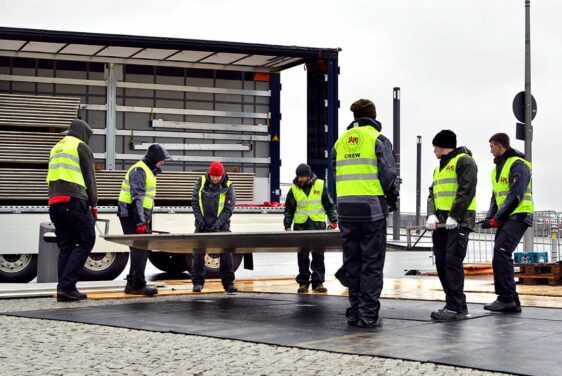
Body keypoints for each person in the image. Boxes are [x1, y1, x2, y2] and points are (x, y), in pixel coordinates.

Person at [331, 99, 399, 328]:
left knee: (352, 261)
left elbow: (335, 173)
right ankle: (368, 314)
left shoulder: (340, 142)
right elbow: (389, 175)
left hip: (346, 210)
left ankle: (353, 312)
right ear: (373, 115)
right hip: (371, 210)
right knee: (371, 263)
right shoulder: (378, 139)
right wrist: (391, 200)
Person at [426, 129, 477, 321]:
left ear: (442, 146)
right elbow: (432, 193)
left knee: (451, 262)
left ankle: (455, 306)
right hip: (441, 223)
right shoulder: (439, 167)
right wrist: (431, 214)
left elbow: (467, 189)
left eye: (435, 147)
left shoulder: (465, 161)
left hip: (459, 222)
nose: (433, 151)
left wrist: (455, 216)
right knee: (441, 262)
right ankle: (454, 304)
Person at [479, 133, 533, 313]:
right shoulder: (496, 169)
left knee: (502, 251)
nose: (490, 150)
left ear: (500, 145)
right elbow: (495, 197)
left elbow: (515, 195)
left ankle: (507, 299)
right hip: (508, 216)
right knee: (500, 252)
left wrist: (498, 218)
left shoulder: (519, 164)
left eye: (492, 146)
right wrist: (489, 218)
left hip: (519, 214)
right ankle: (510, 300)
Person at [47, 119, 98, 302]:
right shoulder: (80, 146)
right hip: (74, 200)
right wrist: (94, 204)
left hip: (54, 202)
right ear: (83, 133)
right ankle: (67, 286)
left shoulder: (56, 148)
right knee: (87, 240)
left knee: (66, 246)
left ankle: (63, 289)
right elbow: (89, 177)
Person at [118, 143, 171, 295]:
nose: (164, 162)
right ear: (155, 158)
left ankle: (131, 284)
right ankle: (137, 285)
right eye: (162, 159)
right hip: (132, 214)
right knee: (140, 250)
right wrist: (140, 221)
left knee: (139, 249)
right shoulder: (139, 170)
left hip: (135, 214)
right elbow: (137, 199)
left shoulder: (148, 170)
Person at [284, 163, 338, 294]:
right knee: (302, 256)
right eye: (299, 177)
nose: (300, 179)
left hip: (317, 225)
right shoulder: (294, 189)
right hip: (301, 226)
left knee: (318, 255)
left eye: (302, 176)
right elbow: (289, 209)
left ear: (308, 176)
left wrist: (333, 219)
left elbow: (329, 204)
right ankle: (303, 283)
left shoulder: (320, 185)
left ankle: (318, 282)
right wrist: (287, 224)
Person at [191, 161, 237, 293]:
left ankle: (228, 283)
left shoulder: (228, 186)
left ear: (222, 175)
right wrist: (200, 221)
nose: (215, 178)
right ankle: (197, 283)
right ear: (209, 174)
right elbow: (195, 202)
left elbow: (229, 209)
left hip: (221, 226)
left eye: (218, 176)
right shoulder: (200, 182)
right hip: (202, 224)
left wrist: (217, 225)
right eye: (213, 175)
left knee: (226, 254)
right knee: (198, 253)